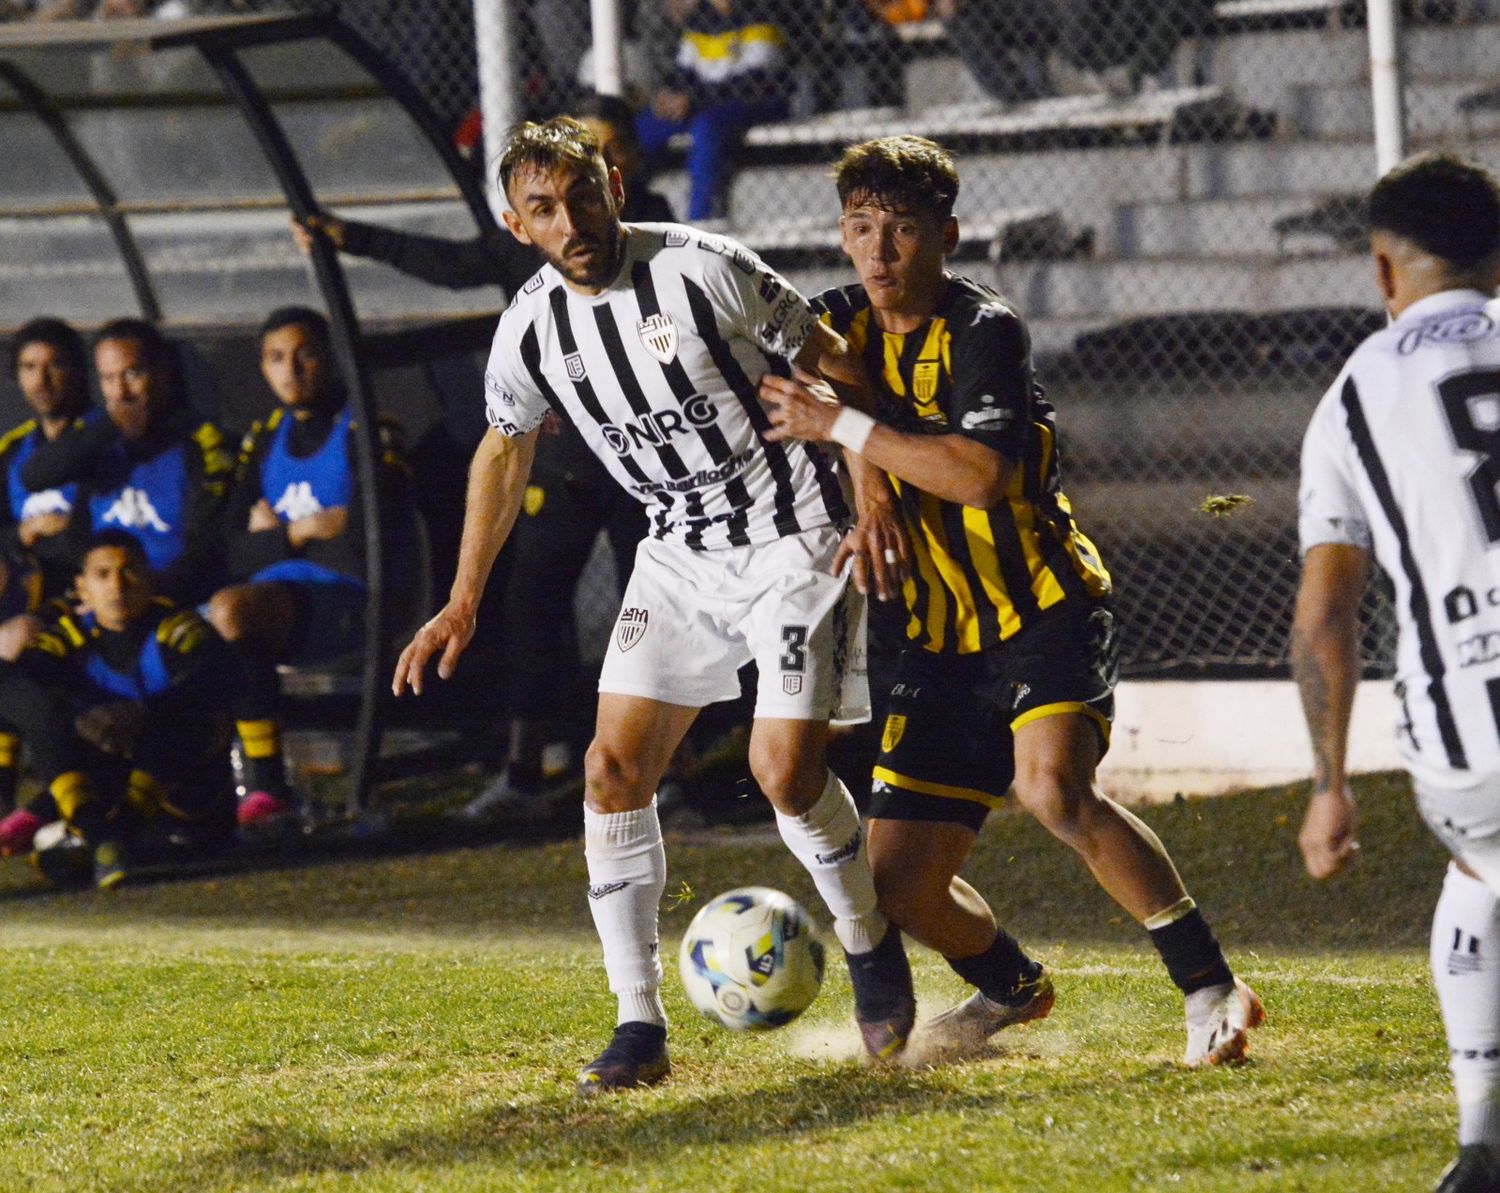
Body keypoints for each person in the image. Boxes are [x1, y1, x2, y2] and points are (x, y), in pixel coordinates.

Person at [392, 115, 916, 1094]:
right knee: (608, 768)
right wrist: (463, 599)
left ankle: (868, 941)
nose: (571, 218)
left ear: (616, 189)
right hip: (677, 556)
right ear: (517, 225)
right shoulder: (530, 331)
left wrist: (873, 485)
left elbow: (837, 362)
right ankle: (638, 1022)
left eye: (584, 194)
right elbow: (503, 450)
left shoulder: (705, 267)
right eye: (544, 207)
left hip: (794, 534)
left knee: (783, 768)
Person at [759, 134, 1262, 1066]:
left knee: (1053, 790)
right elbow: (816, 379)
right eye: (862, 228)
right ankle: (1012, 989)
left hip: (1044, 606)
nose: (879, 252)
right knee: (897, 884)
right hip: (940, 637)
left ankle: (1210, 987)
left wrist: (843, 426)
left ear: (946, 235)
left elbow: (980, 476)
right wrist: (862, 473)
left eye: (902, 230)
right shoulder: (834, 321)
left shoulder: (985, 329)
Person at [294, 94, 671, 821]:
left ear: (621, 171)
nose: (571, 207)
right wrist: (348, 235)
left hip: (650, 469)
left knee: (654, 611)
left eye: (611, 150)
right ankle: (525, 769)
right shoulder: (532, 262)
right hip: (563, 466)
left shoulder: (663, 241)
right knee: (529, 606)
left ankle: (670, 773)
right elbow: (451, 262)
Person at [1290, 152, 1500, 1193]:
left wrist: (1330, 785)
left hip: (1467, 750)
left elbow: (1327, 613)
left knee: (1482, 870)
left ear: (1383, 270)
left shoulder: (1351, 397)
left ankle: (1479, 1144)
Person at [205, 306, 376, 832]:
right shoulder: (262, 441)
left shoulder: (364, 433)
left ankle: (265, 789)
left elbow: (362, 547)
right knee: (179, 630)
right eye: (276, 358)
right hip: (270, 603)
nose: (291, 370)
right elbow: (229, 552)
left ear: (330, 359)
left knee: (233, 611)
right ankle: (183, 795)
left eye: (305, 355)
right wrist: (299, 533)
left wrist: (272, 538)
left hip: (344, 607)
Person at [0, 530, 236, 888]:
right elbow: (26, 688)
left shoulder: (177, 628)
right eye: (103, 574)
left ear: (151, 579)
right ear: (81, 588)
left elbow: (213, 678)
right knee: (32, 700)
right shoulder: (68, 638)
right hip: (107, 786)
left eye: (130, 571)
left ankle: (101, 835)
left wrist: (139, 713)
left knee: (193, 713)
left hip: (185, 801)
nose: (117, 585)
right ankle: (100, 839)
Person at [19, 318, 232, 609]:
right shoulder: (97, 434)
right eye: (108, 379)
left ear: (162, 373)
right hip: (98, 600)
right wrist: (109, 427)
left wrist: (138, 598)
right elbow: (34, 476)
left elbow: (207, 550)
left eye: (132, 374)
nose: (121, 393)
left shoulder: (201, 443)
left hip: (172, 600)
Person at [636, 0, 793, 222]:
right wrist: (670, 95)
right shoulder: (700, 20)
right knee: (644, 126)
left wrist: (693, 98)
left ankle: (700, 222)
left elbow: (755, 82)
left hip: (754, 104)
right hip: (704, 104)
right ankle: (629, 207)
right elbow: (684, 72)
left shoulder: (761, 13)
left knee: (706, 127)